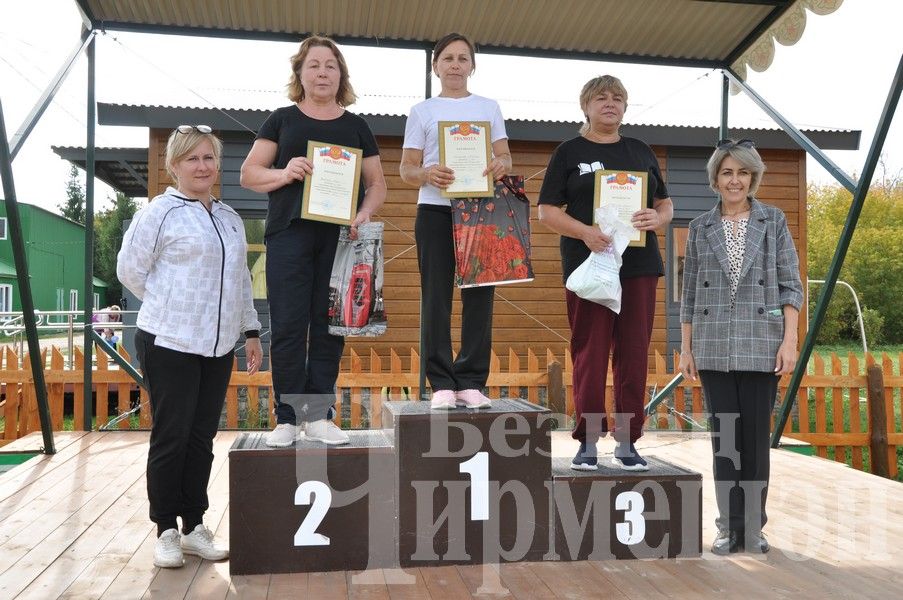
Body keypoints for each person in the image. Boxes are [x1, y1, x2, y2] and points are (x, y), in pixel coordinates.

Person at [117, 125, 263, 569]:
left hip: (217, 346)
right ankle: (164, 529)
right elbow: (129, 270)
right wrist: (170, 305)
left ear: (218, 165)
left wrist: (251, 330)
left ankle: (194, 524)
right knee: (172, 435)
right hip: (170, 341)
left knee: (202, 438)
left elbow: (240, 281)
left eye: (209, 158)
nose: (202, 166)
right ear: (175, 165)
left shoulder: (230, 218)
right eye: (192, 159)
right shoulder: (159, 212)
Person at [241, 36, 387, 447]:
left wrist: (364, 213)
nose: (322, 72)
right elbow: (249, 175)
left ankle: (319, 415)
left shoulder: (357, 126)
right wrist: (285, 172)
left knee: (330, 326)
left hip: (341, 238)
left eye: (330, 66)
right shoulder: (281, 119)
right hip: (289, 234)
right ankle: (288, 417)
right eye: (314, 65)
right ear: (300, 74)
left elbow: (377, 185)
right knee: (288, 326)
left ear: (341, 75)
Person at [538, 75, 673, 471]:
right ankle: (588, 442)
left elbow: (665, 205)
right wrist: (585, 233)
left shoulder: (640, 151)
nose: (609, 103)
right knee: (590, 354)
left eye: (617, 98)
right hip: (589, 268)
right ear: (586, 106)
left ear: (625, 108)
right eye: (601, 98)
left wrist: (656, 218)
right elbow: (546, 211)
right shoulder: (569, 152)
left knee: (633, 354)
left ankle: (629, 442)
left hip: (638, 266)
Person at [678, 139, 802, 555]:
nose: (735, 180)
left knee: (754, 441)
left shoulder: (774, 220)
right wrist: (686, 348)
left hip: (762, 343)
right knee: (725, 441)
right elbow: (690, 292)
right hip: (714, 346)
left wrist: (790, 340)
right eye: (728, 172)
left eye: (743, 173)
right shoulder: (699, 227)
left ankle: (754, 527)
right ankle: (728, 527)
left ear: (753, 178)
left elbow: (791, 285)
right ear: (716, 179)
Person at [399, 32, 512, 410]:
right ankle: (442, 383)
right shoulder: (422, 111)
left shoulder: (489, 107)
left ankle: (471, 380)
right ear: (436, 66)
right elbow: (406, 169)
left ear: (472, 66)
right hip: (434, 210)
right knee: (436, 298)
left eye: (463, 58)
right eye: (448, 58)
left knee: (480, 297)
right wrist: (427, 174)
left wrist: (499, 165)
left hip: (480, 209)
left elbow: (506, 159)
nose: (455, 65)